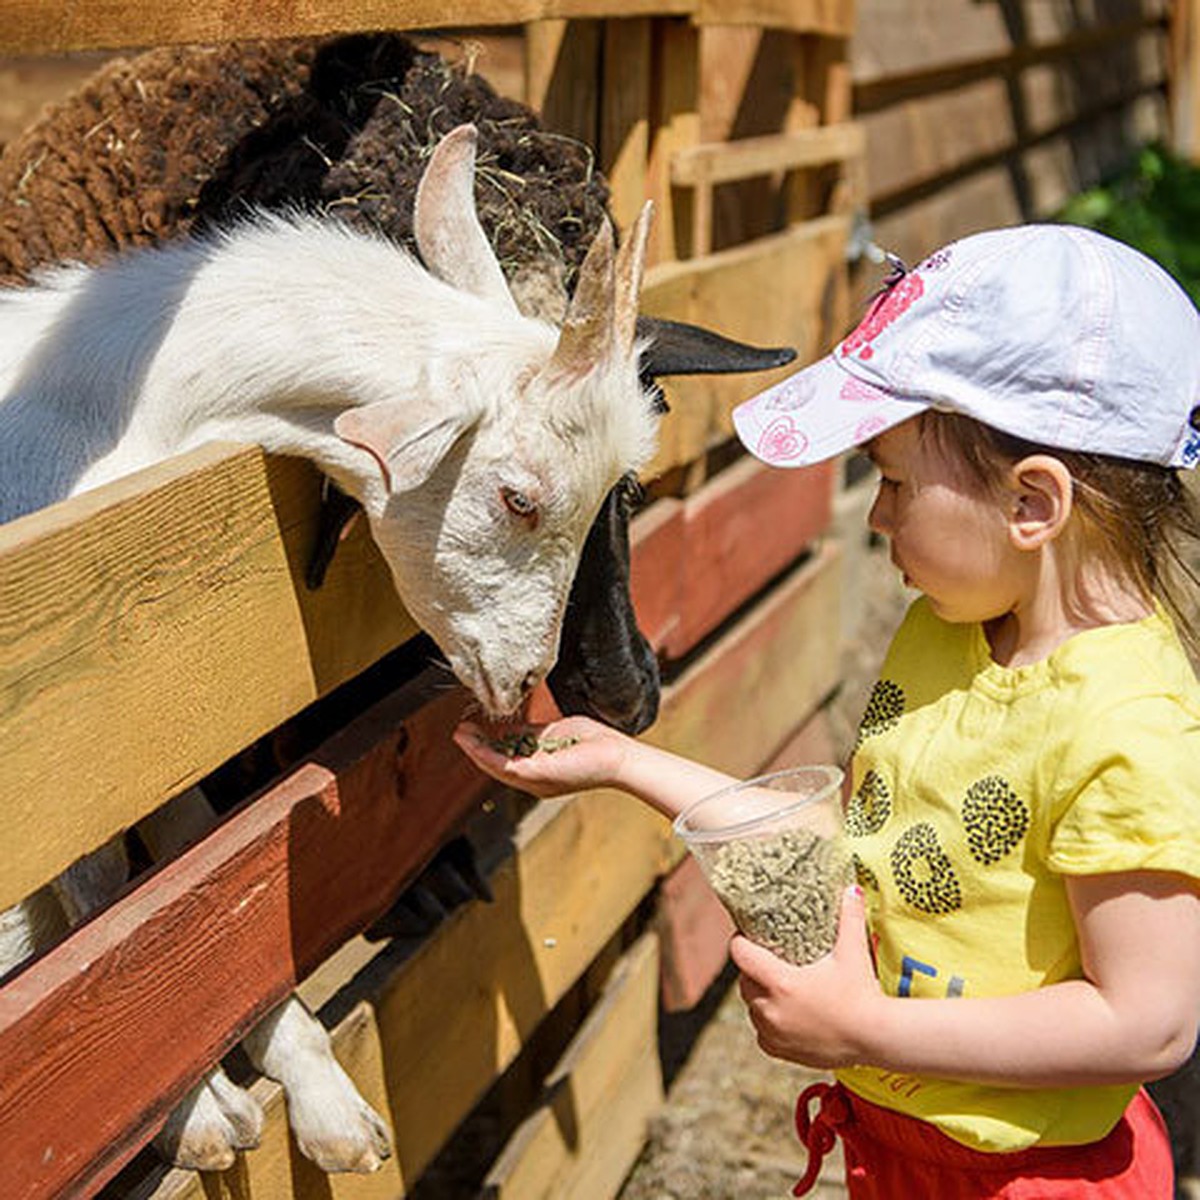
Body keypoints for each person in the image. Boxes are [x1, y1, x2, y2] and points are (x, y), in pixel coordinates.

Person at [454, 224, 1200, 1198]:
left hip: (1036, 1179)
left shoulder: (1129, 727)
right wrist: (621, 762)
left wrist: (865, 1030)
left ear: (1033, 504)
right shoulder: (946, 633)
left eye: (891, 482)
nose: (878, 517)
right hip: (897, 1150)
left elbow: (1148, 1021)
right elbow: (849, 837)